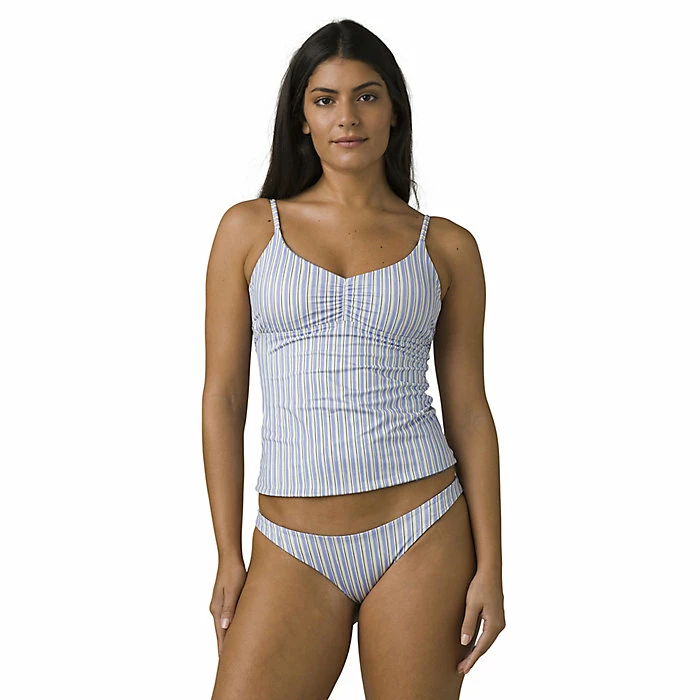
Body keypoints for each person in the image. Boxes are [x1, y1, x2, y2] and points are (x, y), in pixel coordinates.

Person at [203, 18, 505, 699]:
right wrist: (227, 552)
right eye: (325, 99)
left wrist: (492, 565)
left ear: (394, 111)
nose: (347, 117)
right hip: (291, 542)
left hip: (423, 528)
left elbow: (468, 410)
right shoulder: (249, 230)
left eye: (367, 96)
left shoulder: (446, 246)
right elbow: (223, 397)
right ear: (301, 118)